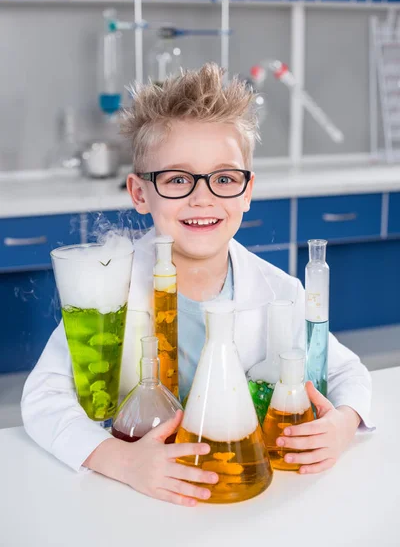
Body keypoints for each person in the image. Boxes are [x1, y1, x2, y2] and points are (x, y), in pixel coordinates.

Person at [21, 64, 374, 507]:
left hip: (244, 493)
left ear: (247, 191)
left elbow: (348, 373)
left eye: (225, 178)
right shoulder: (111, 292)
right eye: (177, 179)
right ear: (138, 193)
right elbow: (42, 397)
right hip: (135, 498)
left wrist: (342, 426)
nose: (202, 197)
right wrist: (121, 462)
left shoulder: (277, 289)